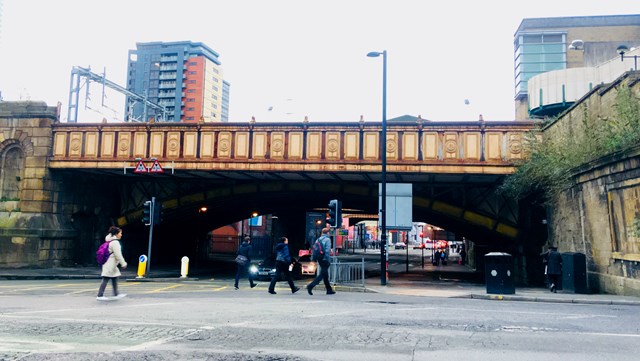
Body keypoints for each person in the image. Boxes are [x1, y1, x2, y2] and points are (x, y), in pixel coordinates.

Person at [96, 226, 128, 301]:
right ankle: (100, 295)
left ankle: (116, 294)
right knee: (106, 278)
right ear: (116, 234)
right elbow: (118, 254)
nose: (121, 235)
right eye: (120, 233)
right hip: (110, 264)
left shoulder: (110, 241)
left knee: (114, 277)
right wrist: (123, 263)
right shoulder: (115, 243)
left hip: (111, 264)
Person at [306, 227, 335, 295]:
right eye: (329, 232)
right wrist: (328, 259)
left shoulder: (318, 239)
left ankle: (329, 290)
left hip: (319, 258)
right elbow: (327, 250)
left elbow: (314, 250)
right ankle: (310, 286)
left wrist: (313, 259)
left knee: (325, 275)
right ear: (327, 233)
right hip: (325, 259)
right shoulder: (327, 239)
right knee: (322, 274)